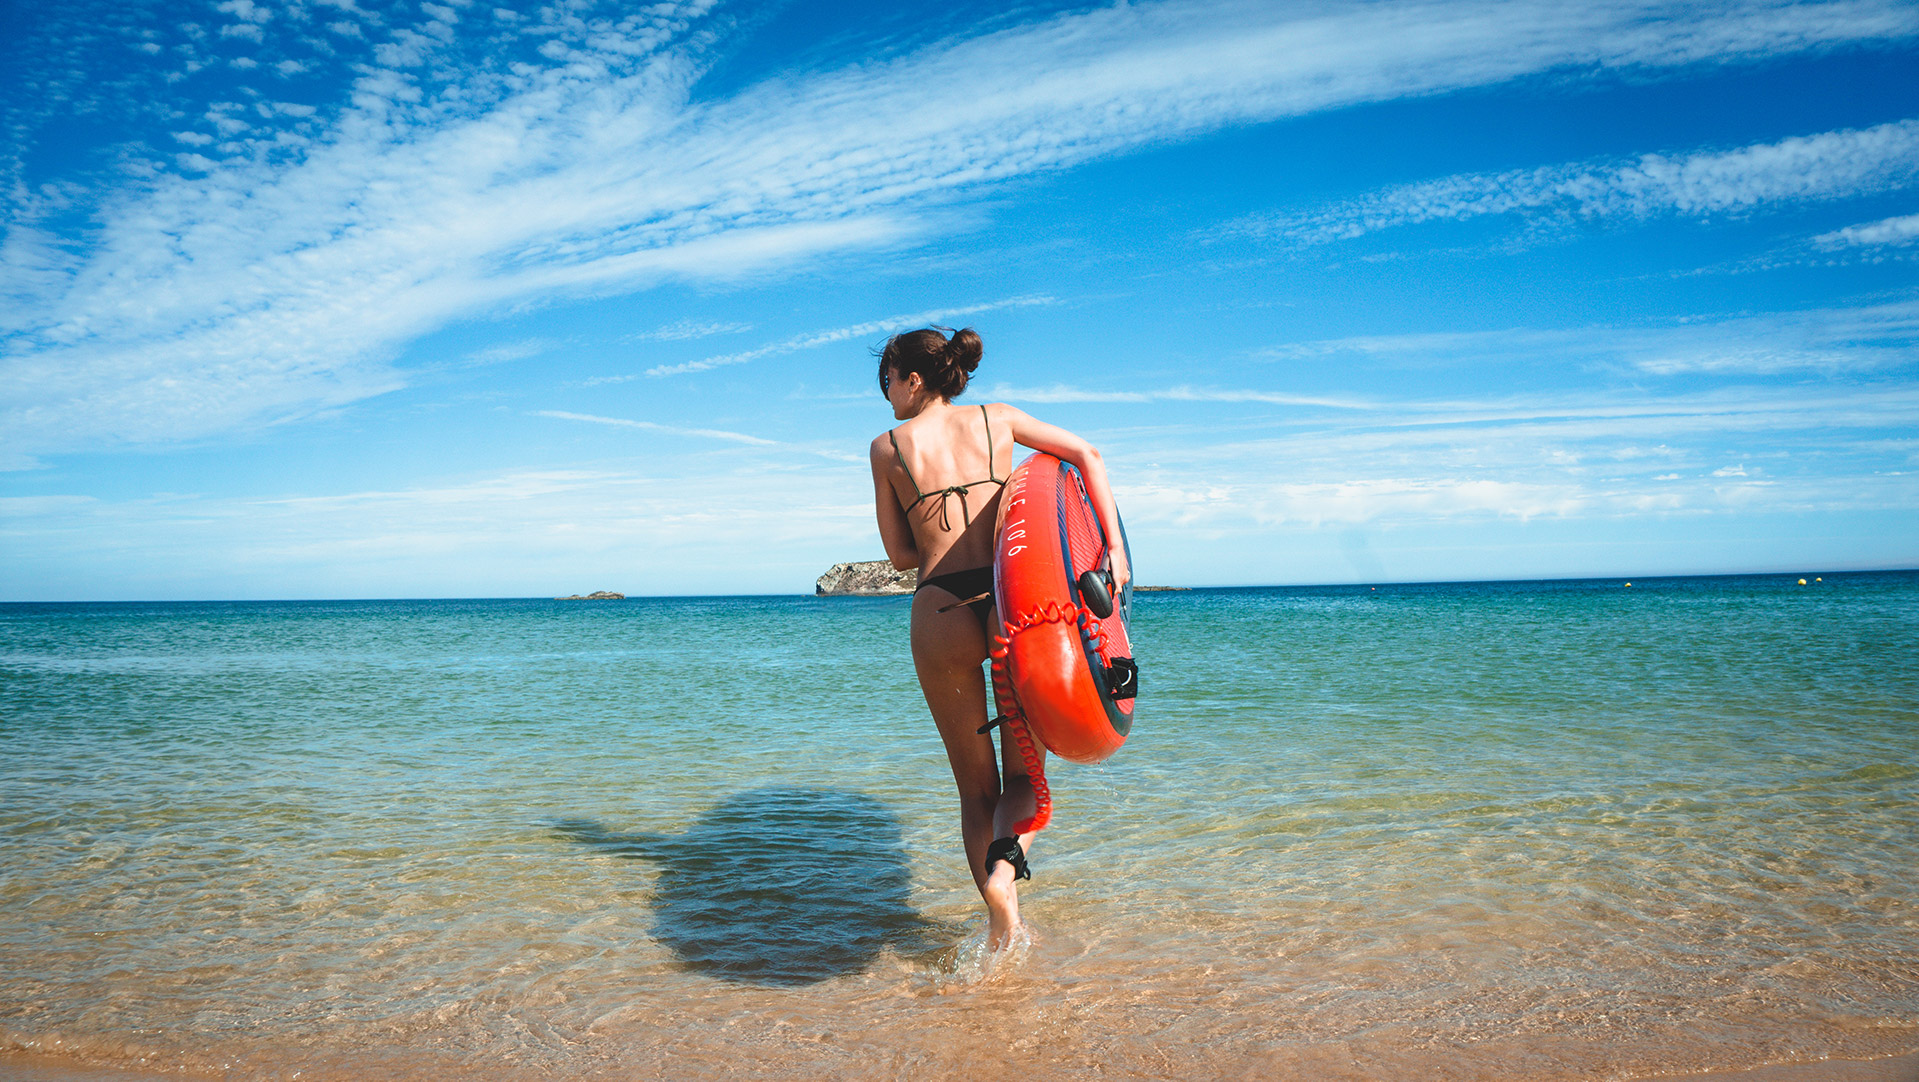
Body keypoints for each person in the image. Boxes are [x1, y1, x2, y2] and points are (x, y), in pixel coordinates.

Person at [869, 325, 1129, 950]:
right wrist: (1113, 552)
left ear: (911, 379)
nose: (886, 399)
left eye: (886, 383)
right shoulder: (998, 419)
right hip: (1014, 602)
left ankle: (996, 921)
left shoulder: (885, 449)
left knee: (973, 786)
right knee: (1024, 778)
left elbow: (902, 555)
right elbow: (1086, 455)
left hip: (938, 609)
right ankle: (1006, 872)